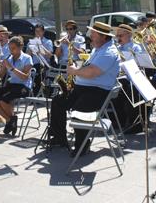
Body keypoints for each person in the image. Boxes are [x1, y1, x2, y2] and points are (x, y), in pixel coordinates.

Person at [50, 22, 120, 156]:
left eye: (94, 33)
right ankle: (60, 138)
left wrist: (75, 71)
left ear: (103, 37)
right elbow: (89, 66)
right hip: (84, 88)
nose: (91, 36)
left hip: (97, 92)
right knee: (57, 101)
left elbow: (92, 72)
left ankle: (82, 145)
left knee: (78, 109)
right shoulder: (98, 48)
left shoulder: (108, 52)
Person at [0, 36, 32, 136]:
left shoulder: (27, 58)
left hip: (24, 87)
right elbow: (0, 76)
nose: (11, 51)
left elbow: (25, 77)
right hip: (11, 85)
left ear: (20, 47)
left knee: (4, 99)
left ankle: (10, 121)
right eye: (10, 48)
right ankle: (10, 119)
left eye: (13, 48)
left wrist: (11, 68)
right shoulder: (9, 58)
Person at [115, 24, 145, 133]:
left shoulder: (136, 47)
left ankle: (134, 124)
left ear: (129, 34)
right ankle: (119, 122)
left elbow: (140, 64)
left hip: (132, 79)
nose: (118, 38)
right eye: (117, 36)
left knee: (130, 96)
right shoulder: (117, 48)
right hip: (121, 78)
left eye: (120, 35)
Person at [26, 23, 53, 96]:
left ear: (43, 32)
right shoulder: (31, 42)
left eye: (39, 31)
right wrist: (31, 49)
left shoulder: (48, 42)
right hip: (34, 65)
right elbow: (27, 56)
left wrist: (41, 47)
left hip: (45, 65)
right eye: (36, 31)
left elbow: (50, 55)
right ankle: (30, 92)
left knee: (38, 73)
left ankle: (37, 93)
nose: (37, 33)